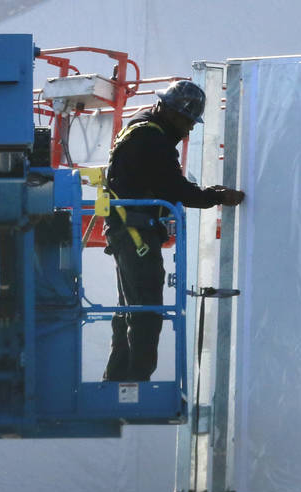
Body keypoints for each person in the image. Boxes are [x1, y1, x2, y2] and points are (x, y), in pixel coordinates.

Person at [103, 80, 244, 382]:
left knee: (130, 307)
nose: (188, 130)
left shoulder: (141, 128)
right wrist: (216, 196)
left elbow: (166, 184)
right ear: (169, 111)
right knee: (146, 308)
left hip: (127, 229)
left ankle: (118, 380)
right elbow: (175, 188)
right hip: (135, 232)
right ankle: (135, 382)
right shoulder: (151, 139)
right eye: (187, 121)